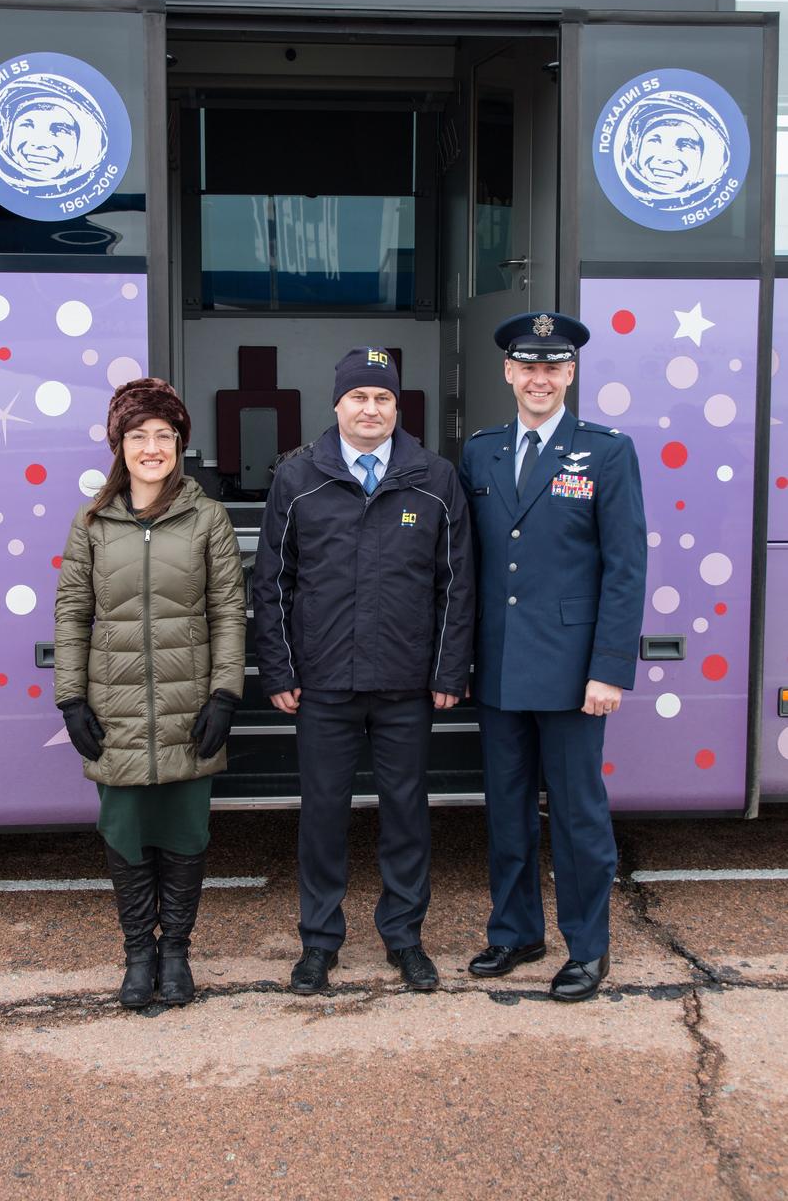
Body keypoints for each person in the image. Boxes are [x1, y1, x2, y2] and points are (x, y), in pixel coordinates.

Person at [253, 347, 474, 995]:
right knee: (322, 816)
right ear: (337, 405)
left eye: (382, 398)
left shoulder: (434, 479)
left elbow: (456, 585)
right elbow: (271, 583)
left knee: (406, 814)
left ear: (397, 408)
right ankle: (319, 943)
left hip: (406, 684)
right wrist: (278, 670)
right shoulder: (298, 479)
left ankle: (404, 938)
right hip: (322, 684)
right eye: (359, 397)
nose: (370, 409)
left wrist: (447, 670)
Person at [459, 312, 647, 1002]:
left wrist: (608, 668)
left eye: (552, 367)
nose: (538, 378)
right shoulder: (479, 452)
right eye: (526, 366)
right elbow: (471, 562)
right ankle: (514, 932)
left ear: (569, 374)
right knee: (505, 810)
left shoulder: (604, 452)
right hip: (500, 663)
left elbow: (625, 568)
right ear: (507, 372)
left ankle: (587, 948)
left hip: (573, 672)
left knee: (575, 814)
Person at [54, 377, 246, 1009]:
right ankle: (139, 952)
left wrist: (224, 694)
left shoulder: (208, 517)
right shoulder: (91, 523)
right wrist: (71, 699)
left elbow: (226, 608)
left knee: (186, 834)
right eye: (138, 435)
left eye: (164, 435)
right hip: (114, 707)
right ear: (120, 446)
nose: (152, 447)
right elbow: (72, 610)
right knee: (127, 832)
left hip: (189, 705)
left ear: (180, 444)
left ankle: (176, 954)